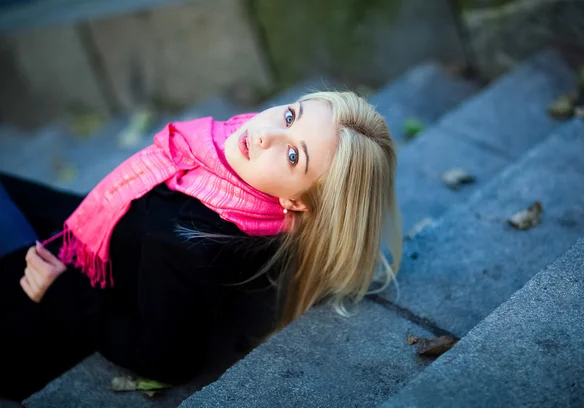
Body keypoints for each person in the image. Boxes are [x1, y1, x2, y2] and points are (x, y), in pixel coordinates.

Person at [0, 91, 402, 401]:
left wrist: (65, 294)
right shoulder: (259, 197)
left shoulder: (182, 244)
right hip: (87, 232)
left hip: (46, 297)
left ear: (297, 202)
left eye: (294, 155)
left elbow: (168, 361)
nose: (263, 135)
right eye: (290, 115)